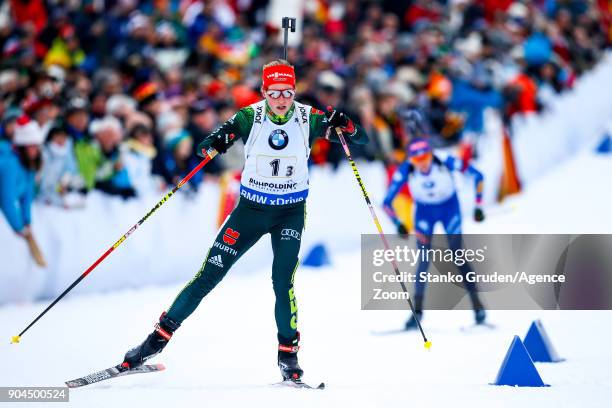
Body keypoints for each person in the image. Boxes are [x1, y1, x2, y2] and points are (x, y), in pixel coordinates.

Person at [121, 59, 369, 382]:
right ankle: (156, 340)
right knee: (209, 274)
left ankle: (288, 355)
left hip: (289, 213)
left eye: (287, 92)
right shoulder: (250, 116)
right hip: (250, 211)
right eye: (275, 92)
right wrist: (214, 144)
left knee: (283, 281)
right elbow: (205, 145)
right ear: (264, 91)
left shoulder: (309, 118)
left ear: (294, 92)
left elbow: (360, 139)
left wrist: (345, 124)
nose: (281, 99)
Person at [383, 138, 487, 329]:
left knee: (458, 255)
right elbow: (386, 202)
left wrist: (478, 205)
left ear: (431, 154)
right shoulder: (406, 169)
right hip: (425, 213)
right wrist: (398, 223)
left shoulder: (444, 159)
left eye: (425, 157)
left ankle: (478, 307)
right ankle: (417, 313)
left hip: (449, 209)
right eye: (416, 160)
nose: (422, 163)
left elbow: (478, 176)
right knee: (423, 260)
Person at [0, 116, 43, 240]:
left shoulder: (29, 164)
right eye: (31, 146)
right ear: (23, 146)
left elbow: (27, 196)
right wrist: (18, 227)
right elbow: (7, 199)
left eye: (36, 146)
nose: (35, 150)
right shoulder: (10, 164)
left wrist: (27, 221)